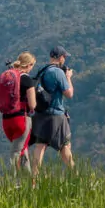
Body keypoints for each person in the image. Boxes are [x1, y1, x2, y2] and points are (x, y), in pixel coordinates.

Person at [29, 46, 75, 180]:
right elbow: (69, 93)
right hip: (56, 114)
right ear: (60, 57)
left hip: (40, 114)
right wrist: (68, 77)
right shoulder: (58, 73)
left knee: (40, 147)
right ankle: (75, 175)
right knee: (64, 146)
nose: (64, 59)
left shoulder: (42, 71)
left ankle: (34, 180)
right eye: (64, 57)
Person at [0, 52, 38, 174]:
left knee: (22, 149)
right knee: (16, 152)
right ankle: (13, 182)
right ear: (29, 65)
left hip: (6, 120)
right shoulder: (26, 79)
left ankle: (30, 183)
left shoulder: (9, 77)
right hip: (21, 119)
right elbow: (32, 104)